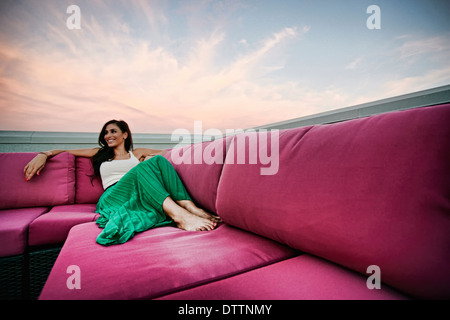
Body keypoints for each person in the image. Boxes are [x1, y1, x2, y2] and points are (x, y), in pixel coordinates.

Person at [23, 120, 220, 245]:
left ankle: (191, 207)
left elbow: (168, 154)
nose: (108, 135)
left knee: (157, 161)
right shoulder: (99, 153)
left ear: (125, 134)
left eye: (113, 131)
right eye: (105, 133)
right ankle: (179, 215)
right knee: (143, 168)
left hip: (138, 192)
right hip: (113, 196)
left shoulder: (136, 154)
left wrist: (149, 156)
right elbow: (65, 151)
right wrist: (44, 154)